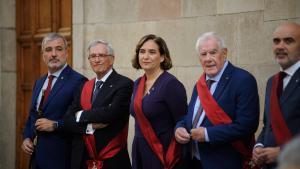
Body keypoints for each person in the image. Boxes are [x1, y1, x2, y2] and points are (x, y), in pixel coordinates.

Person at [175, 32, 260, 169]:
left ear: (224, 53)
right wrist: (179, 127)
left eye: (213, 52)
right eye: (203, 54)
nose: (208, 59)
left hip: (225, 163)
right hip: (194, 161)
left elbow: (247, 125)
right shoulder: (200, 84)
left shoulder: (243, 80)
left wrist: (208, 134)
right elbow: (190, 117)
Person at [60, 39, 133, 169]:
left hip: (112, 160)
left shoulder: (124, 84)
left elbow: (110, 114)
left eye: (101, 56)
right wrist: (89, 127)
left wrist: (80, 115)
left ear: (111, 59)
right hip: (83, 159)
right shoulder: (84, 86)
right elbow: (67, 120)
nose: (97, 60)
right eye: (93, 56)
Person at [21, 32, 88, 169]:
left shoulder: (79, 81)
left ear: (66, 52)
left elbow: (81, 121)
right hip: (37, 158)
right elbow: (33, 115)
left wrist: (56, 124)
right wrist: (27, 137)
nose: (53, 54)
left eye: (59, 49)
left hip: (62, 158)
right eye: (48, 50)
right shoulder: (39, 82)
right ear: (43, 55)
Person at [130, 34, 188, 169]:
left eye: (152, 52)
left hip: (163, 152)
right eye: (142, 51)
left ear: (162, 57)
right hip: (140, 149)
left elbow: (182, 120)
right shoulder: (138, 83)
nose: (145, 56)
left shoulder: (171, 84)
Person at [252, 22, 300, 169]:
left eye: (288, 41)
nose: (280, 46)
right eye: (276, 41)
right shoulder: (272, 82)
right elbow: (268, 124)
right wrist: (258, 146)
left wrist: (283, 152)